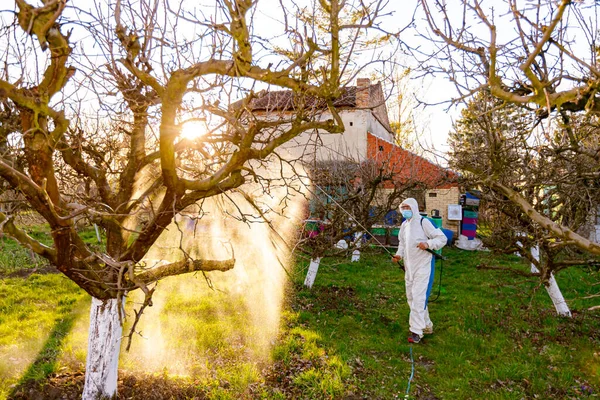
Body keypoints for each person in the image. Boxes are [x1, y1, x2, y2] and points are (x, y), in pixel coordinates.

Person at [391, 198, 447, 344]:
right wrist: (398, 255)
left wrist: (427, 243)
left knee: (418, 298)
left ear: (414, 207)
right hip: (409, 267)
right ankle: (427, 325)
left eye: (407, 207)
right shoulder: (404, 225)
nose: (405, 210)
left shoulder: (424, 222)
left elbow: (442, 238)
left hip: (423, 267)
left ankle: (416, 331)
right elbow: (402, 243)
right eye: (402, 207)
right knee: (411, 297)